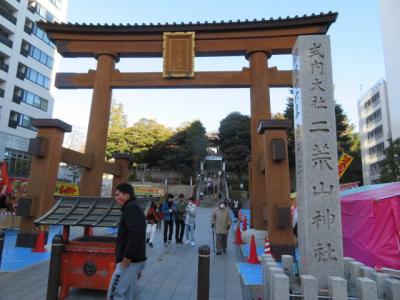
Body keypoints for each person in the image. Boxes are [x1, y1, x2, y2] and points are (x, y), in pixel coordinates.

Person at [107, 183, 146, 300]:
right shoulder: (134, 207)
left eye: (118, 194)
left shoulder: (130, 208)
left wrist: (128, 255)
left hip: (128, 261)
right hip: (135, 260)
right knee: (126, 294)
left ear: (127, 195)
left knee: (115, 293)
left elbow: (136, 232)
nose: (116, 197)